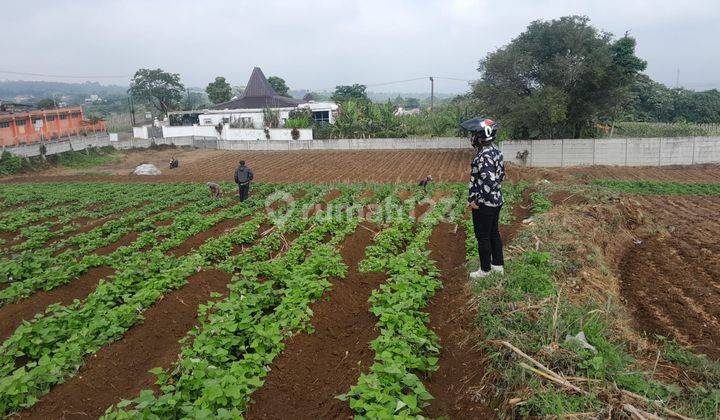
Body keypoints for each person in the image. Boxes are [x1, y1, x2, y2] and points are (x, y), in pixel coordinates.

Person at [464, 118, 505, 279]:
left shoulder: (483, 156)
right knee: (494, 233)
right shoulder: (496, 151)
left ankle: (485, 270)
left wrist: (477, 201)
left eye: (474, 135)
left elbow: (489, 182)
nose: (472, 138)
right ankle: (498, 266)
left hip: (485, 204)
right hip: (497, 200)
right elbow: (501, 176)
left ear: (480, 137)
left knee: (483, 236)